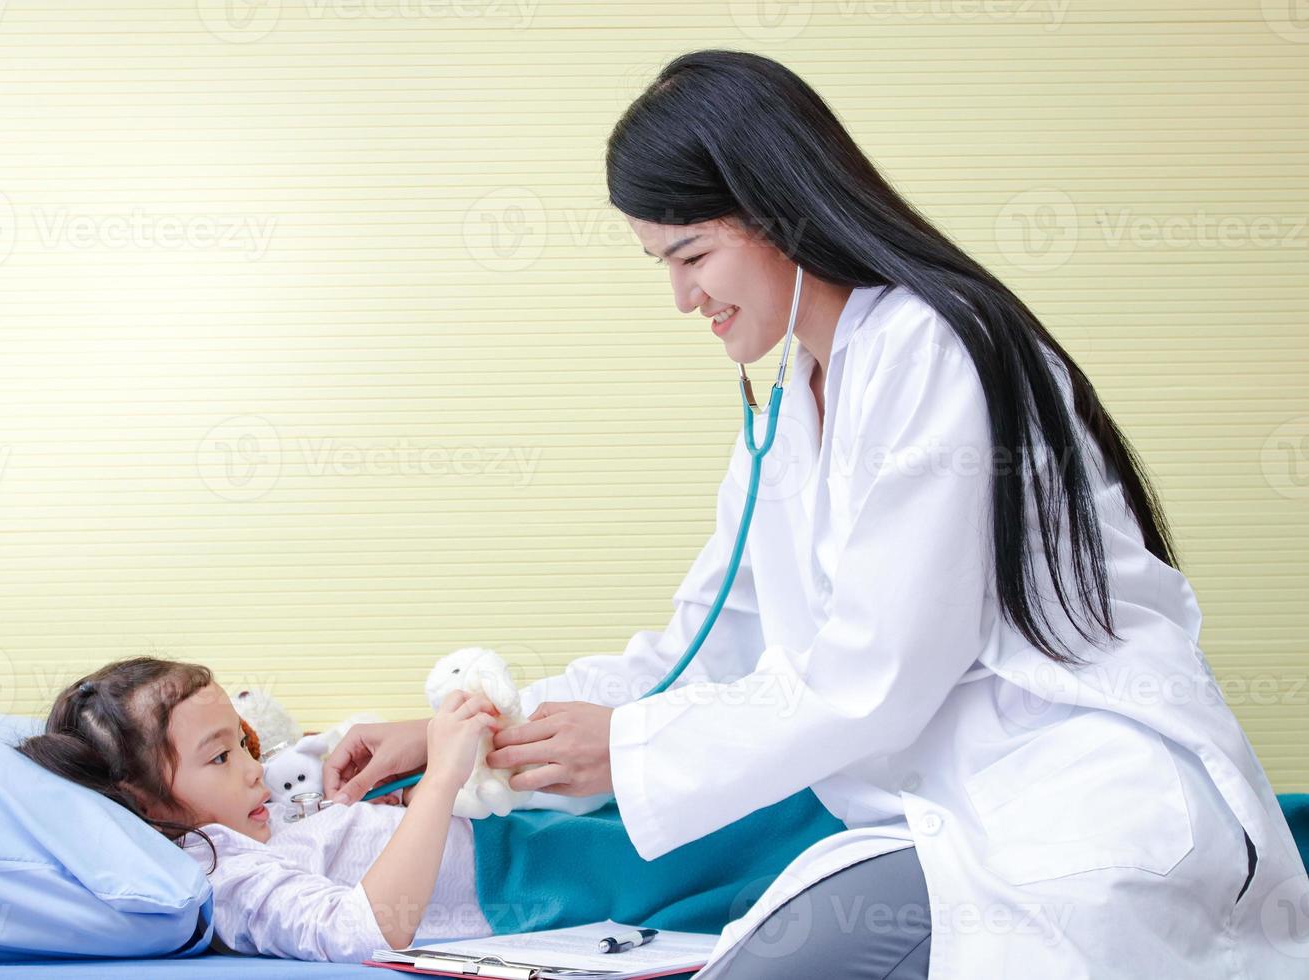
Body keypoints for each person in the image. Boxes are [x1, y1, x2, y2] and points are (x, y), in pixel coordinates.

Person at [322, 49, 1309, 978]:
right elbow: (701, 644)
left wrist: (625, 748)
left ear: (778, 210)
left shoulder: (937, 351)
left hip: (1077, 814)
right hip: (953, 821)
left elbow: (876, 674)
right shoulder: (795, 402)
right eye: (660, 264)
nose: (681, 298)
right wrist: (479, 730)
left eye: (692, 254)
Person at [17, 656, 502, 962]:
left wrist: (402, 797)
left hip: (513, 834)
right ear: (142, 800)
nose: (254, 770)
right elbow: (360, 932)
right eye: (221, 757)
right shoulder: (217, 874)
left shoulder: (248, 821)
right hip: (515, 884)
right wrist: (441, 779)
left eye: (245, 743)